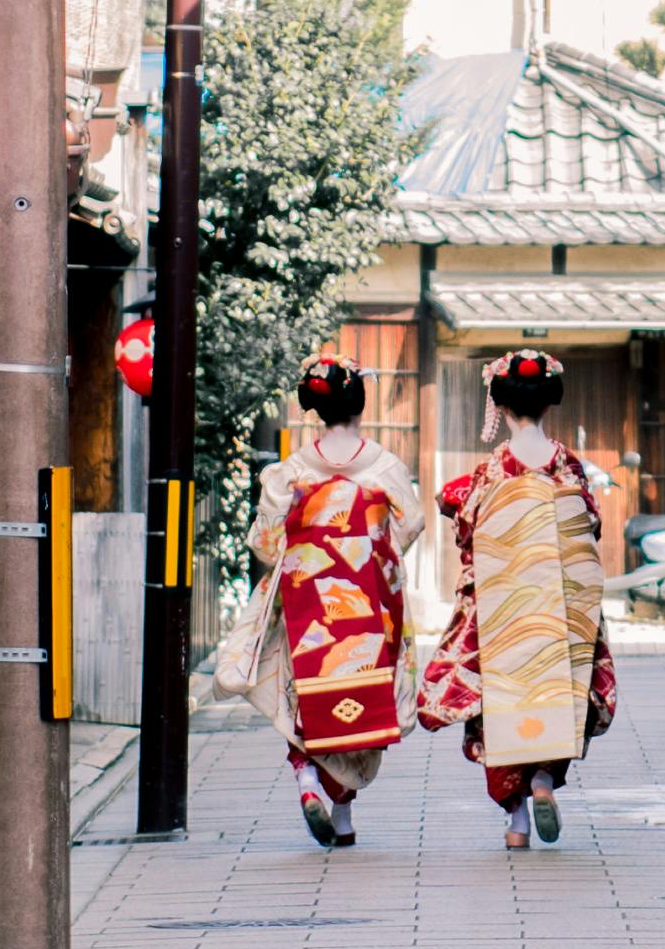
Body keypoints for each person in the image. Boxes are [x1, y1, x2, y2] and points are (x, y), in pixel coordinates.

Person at [219, 352, 420, 845]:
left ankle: (306, 777)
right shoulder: (385, 467)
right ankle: (345, 816)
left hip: (307, 602)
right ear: (360, 405)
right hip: (369, 601)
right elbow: (410, 524)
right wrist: (368, 548)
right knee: (363, 699)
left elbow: (265, 543)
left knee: (304, 693)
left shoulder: (288, 473)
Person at [418, 345, 616, 843]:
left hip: (505, 603)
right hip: (558, 601)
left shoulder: (493, 469)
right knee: (560, 687)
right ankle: (546, 780)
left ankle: (517, 821)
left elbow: (469, 526)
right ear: (549, 403)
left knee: (502, 699)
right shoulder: (567, 465)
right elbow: (589, 525)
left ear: (500, 406)